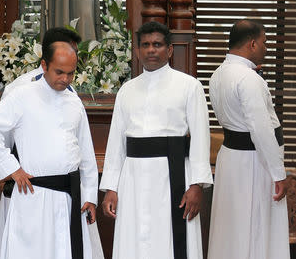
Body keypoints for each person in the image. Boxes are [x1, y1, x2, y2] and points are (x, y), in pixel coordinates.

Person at [0, 42, 100, 259]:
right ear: (44, 65)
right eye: (59, 72)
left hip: (69, 198)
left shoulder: (74, 102)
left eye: (71, 74)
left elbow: (86, 152)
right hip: (33, 194)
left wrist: (90, 195)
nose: (65, 79)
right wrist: (11, 168)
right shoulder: (22, 96)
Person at [100, 21, 213, 259]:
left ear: (169, 50)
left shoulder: (189, 86)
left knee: (171, 239)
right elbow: (116, 143)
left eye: (158, 44)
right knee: (135, 237)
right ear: (138, 50)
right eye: (146, 45)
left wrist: (196, 185)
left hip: (173, 177)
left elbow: (201, 139)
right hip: (133, 179)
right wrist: (111, 187)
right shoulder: (126, 90)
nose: (151, 50)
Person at [207, 19, 290, 259]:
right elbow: (261, 130)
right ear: (252, 44)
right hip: (255, 162)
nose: (266, 47)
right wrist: (279, 174)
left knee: (233, 226)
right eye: (264, 42)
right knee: (255, 224)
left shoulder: (218, 74)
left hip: (232, 158)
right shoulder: (248, 79)